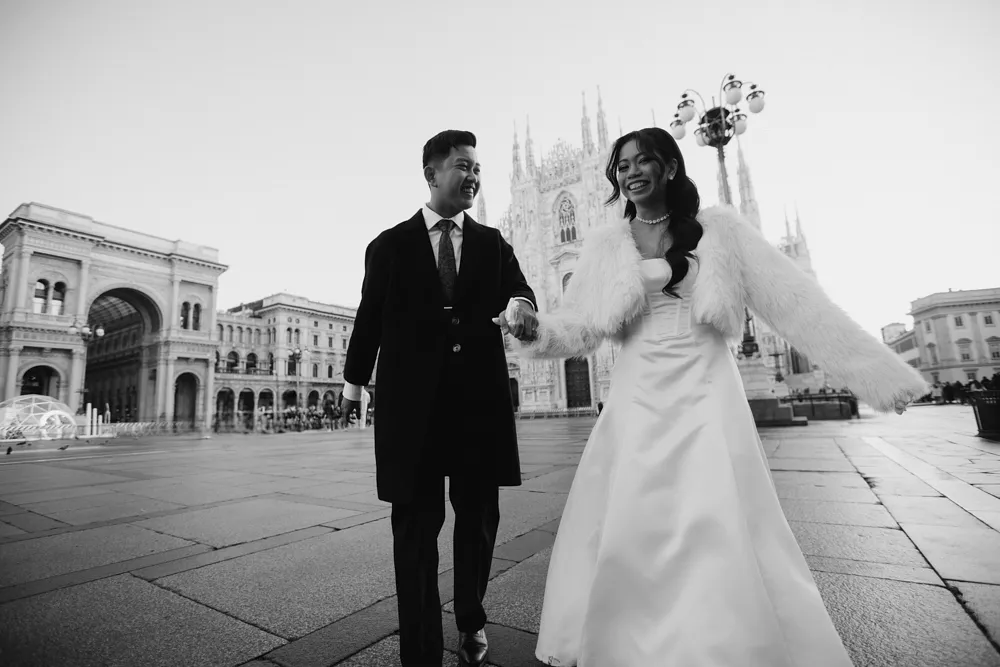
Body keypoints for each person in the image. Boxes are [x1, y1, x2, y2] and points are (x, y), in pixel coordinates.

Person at [507, 127, 928, 667]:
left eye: (643, 161)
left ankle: (716, 641)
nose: (631, 172)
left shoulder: (718, 231)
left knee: (715, 510)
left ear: (671, 168)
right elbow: (580, 326)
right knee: (636, 514)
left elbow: (797, 302)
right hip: (637, 391)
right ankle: (633, 643)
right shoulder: (606, 244)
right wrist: (533, 330)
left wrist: (882, 378)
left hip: (707, 386)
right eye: (622, 165)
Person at [341, 130, 538, 667]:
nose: (472, 175)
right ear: (431, 175)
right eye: (462, 166)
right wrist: (353, 380)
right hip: (412, 410)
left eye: (477, 168)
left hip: (477, 404)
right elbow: (369, 317)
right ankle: (421, 647)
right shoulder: (389, 244)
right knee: (414, 527)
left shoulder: (493, 243)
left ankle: (471, 615)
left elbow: (521, 288)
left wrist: (520, 305)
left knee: (477, 519)